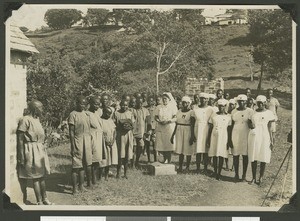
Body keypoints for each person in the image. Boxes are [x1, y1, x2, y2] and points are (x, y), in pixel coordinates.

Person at [16, 100, 53, 205]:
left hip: (39, 149)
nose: (42, 109)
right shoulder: (25, 120)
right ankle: (39, 201)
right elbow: (20, 139)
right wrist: (21, 156)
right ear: (35, 108)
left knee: (42, 176)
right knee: (36, 176)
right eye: (40, 107)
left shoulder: (37, 119)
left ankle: (45, 199)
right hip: (31, 150)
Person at [248, 95, 276, 185]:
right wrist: (250, 125)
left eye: (262, 103)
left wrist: (272, 140)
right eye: (258, 103)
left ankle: (261, 177)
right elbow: (249, 122)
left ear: (265, 103)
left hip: (265, 136)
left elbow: (270, 128)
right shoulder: (253, 113)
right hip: (254, 136)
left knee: (263, 156)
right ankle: (253, 177)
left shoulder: (269, 113)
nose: (260, 104)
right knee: (254, 156)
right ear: (256, 103)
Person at [68, 96, 93, 194]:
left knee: (84, 164)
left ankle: (81, 186)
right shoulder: (73, 114)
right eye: (81, 103)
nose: (82, 105)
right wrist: (73, 146)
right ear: (76, 103)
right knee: (76, 166)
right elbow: (71, 132)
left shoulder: (86, 114)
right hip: (78, 140)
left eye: (84, 104)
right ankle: (74, 189)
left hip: (87, 140)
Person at [230, 94, 254, 182]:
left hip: (246, 136)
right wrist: (229, 139)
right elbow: (230, 126)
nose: (241, 103)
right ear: (238, 102)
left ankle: (244, 175)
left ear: (246, 101)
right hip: (235, 135)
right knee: (235, 155)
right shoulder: (233, 112)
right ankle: (236, 174)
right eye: (240, 101)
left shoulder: (250, 111)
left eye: (243, 101)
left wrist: (250, 123)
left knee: (245, 155)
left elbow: (253, 125)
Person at [208, 99, 232, 180]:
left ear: (225, 107)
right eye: (220, 106)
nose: (221, 108)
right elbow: (210, 128)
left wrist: (229, 140)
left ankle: (219, 172)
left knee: (221, 154)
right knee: (215, 154)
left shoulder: (228, 117)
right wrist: (208, 139)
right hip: (214, 136)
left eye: (223, 106)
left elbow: (229, 130)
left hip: (223, 136)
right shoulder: (214, 115)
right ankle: (215, 171)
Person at [191, 92, 214, 174]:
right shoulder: (195, 109)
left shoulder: (211, 109)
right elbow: (192, 122)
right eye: (201, 99)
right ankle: (197, 168)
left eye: (205, 99)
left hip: (207, 129)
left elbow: (212, 122)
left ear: (207, 100)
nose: (203, 100)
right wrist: (192, 134)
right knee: (198, 150)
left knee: (205, 150)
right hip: (198, 129)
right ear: (199, 99)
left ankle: (205, 168)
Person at [171, 96, 194, 173]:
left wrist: (192, 136)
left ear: (189, 103)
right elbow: (176, 124)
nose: (185, 104)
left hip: (188, 130)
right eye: (183, 102)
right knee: (180, 150)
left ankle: (187, 167)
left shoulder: (191, 112)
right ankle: (180, 166)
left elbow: (193, 125)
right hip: (179, 131)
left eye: (186, 103)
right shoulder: (179, 111)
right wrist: (172, 135)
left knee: (187, 149)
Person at [114, 100, 135, 178]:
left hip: (128, 134)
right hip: (120, 135)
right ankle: (118, 173)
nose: (124, 107)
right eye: (123, 105)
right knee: (120, 154)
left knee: (127, 154)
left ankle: (126, 173)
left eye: (126, 105)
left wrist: (129, 126)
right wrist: (121, 126)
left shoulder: (130, 113)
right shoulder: (116, 113)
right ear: (120, 105)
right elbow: (114, 124)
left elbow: (133, 124)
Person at [155, 92, 177, 164]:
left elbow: (175, 117)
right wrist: (159, 121)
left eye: (166, 99)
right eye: (163, 99)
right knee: (162, 143)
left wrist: (168, 121)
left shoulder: (173, 107)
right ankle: (164, 158)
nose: (164, 100)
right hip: (161, 127)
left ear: (169, 99)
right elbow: (156, 116)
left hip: (169, 127)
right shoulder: (159, 107)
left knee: (168, 144)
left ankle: (168, 159)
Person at [87, 97, 104, 184]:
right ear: (90, 103)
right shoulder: (87, 114)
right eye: (95, 104)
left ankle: (95, 179)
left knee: (97, 160)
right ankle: (90, 180)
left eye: (98, 104)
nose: (97, 106)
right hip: (92, 138)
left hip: (99, 138)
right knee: (92, 160)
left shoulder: (98, 112)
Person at [100, 107, 118, 180]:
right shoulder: (100, 120)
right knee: (103, 160)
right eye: (107, 113)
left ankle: (106, 175)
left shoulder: (110, 120)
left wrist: (113, 140)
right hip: (103, 143)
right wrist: (105, 140)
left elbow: (114, 131)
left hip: (111, 143)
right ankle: (100, 175)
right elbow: (100, 132)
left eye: (110, 114)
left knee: (109, 160)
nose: (109, 115)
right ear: (103, 112)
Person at [132, 97, 150, 168]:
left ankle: (137, 161)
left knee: (140, 147)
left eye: (141, 102)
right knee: (133, 148)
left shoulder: (145, 110)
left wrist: (147, 131)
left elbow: (148, 121)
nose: (139, 104)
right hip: (133, 131)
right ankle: (132, 163)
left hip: (141, 132)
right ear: (135, 102)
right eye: (138, 102)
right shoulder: (132, 110)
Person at [145, 96, 158, 162]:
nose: (150, 102)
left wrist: (156, 129)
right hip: (147, 129)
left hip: (154, 129)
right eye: (149, 101)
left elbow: (157, 119)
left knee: (155, 145)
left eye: (151, 101)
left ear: (153, 101)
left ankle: (156, 160)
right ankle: (149, 159)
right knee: (147, 145)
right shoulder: (145, 109)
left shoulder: (156, 109)